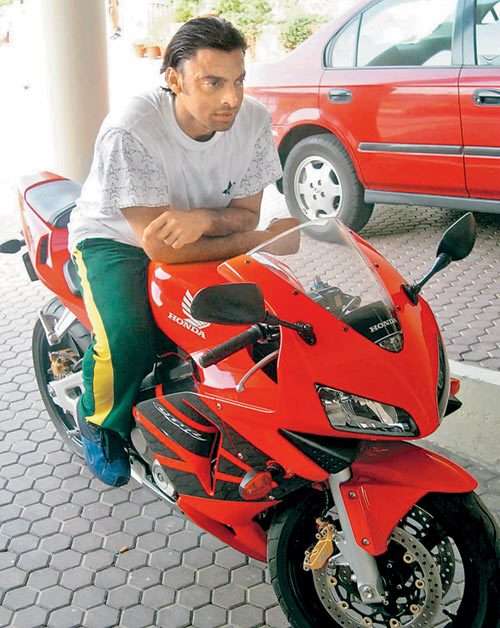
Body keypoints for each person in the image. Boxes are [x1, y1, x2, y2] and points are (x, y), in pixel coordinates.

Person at [67, 16, 296, 487]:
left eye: (237, 80)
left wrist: (206, 220)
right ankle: (97, 421)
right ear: (173, 79)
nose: (230, 98)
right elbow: (162, 247)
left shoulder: (252, 121)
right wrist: (259, 237)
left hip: (203, 234)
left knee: (268, 317)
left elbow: (246, 215)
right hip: (116, 238)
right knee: (129, 337)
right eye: (212, 82)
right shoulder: (132, 130)